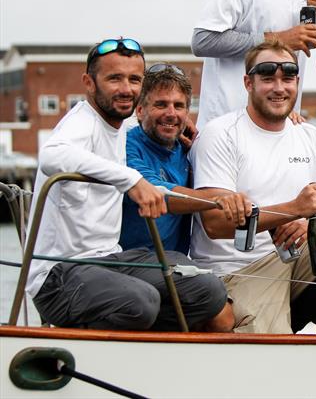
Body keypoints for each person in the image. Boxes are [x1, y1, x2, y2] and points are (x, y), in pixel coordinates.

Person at [26, 38, 232, 332]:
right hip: (58, 273)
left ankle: (144, 337)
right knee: (141, 301)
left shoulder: (119, 128)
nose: (126, 89)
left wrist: (179, 126)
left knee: (208, 290)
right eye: (114, 79)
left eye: (134, 79)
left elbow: (150, 131)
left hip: (110, 258)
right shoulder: (82, 121)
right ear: (89, 82)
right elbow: (52, 154)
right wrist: (132, 179)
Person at [189, 40, 316, 334]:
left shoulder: (308, 134)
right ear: (248, 83)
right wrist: (293, 210)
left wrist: (308, 224)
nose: (279, 87)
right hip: (241, 269)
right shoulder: (221, 134)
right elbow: (215, 224)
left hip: (296, 257)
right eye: (267, 78)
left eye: (288, 78)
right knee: (270, 357)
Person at [120, 64, 250, 254]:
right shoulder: (125, 147)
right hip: (129, 261)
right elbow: (158, 194)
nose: (171, 113)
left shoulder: (189, 149)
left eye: (179, 106)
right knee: (210, 285)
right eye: (161, 105)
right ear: (139, 110)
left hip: (174, 264)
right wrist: (220, 199)